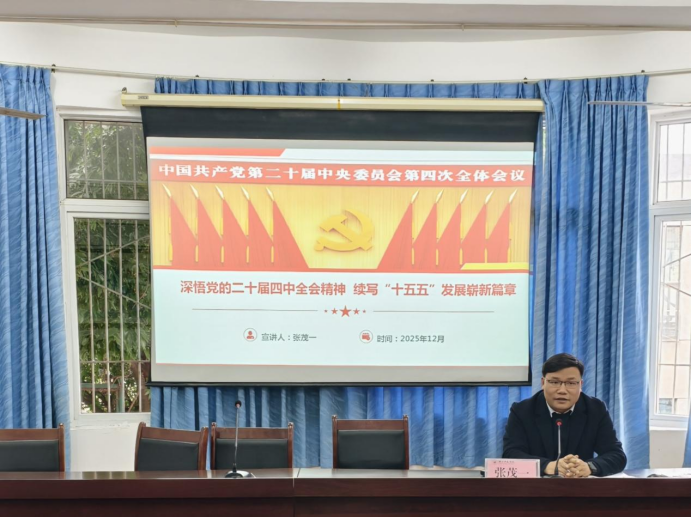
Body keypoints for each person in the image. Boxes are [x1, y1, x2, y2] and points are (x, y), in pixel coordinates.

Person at [503, 353, 627, 477]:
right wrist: (547, 466)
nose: (562, 390)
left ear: (580, 385)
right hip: (535, 487)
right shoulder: (522, 411)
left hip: (580, 485)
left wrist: (589, 467)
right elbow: (511, 454)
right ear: (543, 383)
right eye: (554, 382)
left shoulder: (595, 409)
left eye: (571, 383)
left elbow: (616, 455)